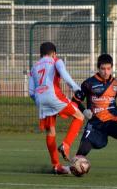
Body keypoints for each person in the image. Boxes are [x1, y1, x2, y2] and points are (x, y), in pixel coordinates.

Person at [72, 53, 117, 177]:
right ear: (98, 68)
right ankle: (73, 167)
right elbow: (75, 101)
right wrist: (84, 111)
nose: (106, 72)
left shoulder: (116, 84)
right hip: (95, 123)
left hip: (112, 118)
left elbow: (112, 102)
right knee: (81, 152)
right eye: (103, 69)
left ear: (112, 68)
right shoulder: (88, 84)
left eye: (108, 68)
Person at [29, 42, 85, 174]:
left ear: (40, 54)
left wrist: (40, 101)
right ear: (54, 53)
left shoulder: (34, 67)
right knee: (80, 116)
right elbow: (64, 74)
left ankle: (56, 165)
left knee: (50, 132)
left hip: (39, 99)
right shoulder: (56, 61)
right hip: (53, 95)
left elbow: (31, 92)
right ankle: (65, 145)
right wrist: (76, 88)